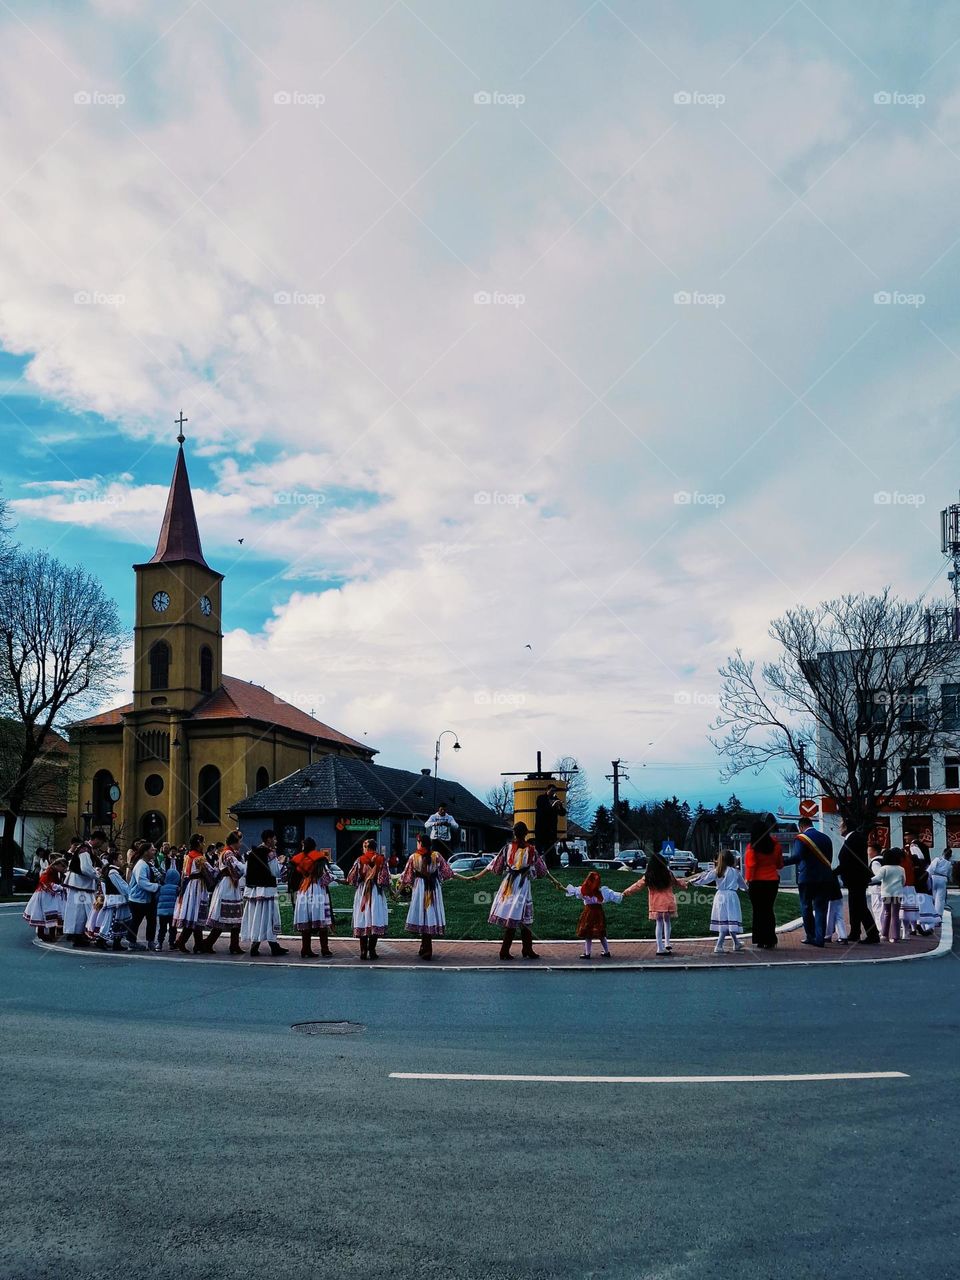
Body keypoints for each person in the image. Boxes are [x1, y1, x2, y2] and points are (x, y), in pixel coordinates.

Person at [478, 821, 548, 961]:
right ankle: (515, 950)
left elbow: (497, 869)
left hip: (509, 883)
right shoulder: (532, 850)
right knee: (520, 917)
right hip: (523, 884)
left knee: (513, 915)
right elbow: (542, 871)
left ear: (514, 833)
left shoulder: (506, 848)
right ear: (526, 833)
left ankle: (521, 949)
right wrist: (531, 871)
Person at [623, 849, 688, 956]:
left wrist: (626, 892)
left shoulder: (648, 876)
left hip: (656, 903)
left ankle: (660, 947)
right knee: (667, 922)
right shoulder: (667, 874)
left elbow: (637, 886)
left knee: (659, 923)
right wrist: (685, 884)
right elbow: (676, 882)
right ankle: (667, 942)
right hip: (668, 901)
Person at [400, 831, 454, 961]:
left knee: (422, 914)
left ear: (420, 843)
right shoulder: (437, 855)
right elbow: (447, 873)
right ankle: (424, 946)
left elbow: (407, 876)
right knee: (429, 914)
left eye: (417, 842)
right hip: (433, 887)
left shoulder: (414, 857)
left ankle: (426, 948)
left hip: (420, 887)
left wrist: (397, 890)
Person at [782, 818, 834, 948]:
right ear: (811, 824)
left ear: (801, 827)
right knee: (821, 908)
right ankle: (820, 938)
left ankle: (810, 936)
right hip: (825, 878)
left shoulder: (801, 838)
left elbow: (798, 856)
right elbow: (829, 859)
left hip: (807, 878)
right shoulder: (826, 838)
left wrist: (782, 862)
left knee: (806, 906)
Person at [689, 850, 748, 954]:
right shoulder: (735, 872)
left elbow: (704, 879)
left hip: (720, 896)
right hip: (731, 896)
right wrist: (747, 889)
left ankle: (736, 943)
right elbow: (743, 885)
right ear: (732, 860)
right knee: (731, 919)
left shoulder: (717, 871)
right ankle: (719, 945)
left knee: (724, 919)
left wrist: (692, 882)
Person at [241, 830, 288, 957]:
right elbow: (276, 872)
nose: (276, 841)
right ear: (268, 840)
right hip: (267, 889)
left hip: (254, 890)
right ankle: (273, 945)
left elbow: (245, 871)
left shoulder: (251, 853)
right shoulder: (270, 853)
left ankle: (256, 945)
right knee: (270, 916)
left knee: (257, 917)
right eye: (274, 838)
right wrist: (282, 862)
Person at [562, 868, 623, 959]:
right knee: (601, 933)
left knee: (588, 933)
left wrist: (562, 888)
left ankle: (587, 953)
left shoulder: (583, 890)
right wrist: (623, 894)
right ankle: (606, 952)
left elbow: (573, 891)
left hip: (588, 912)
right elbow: (613, 895)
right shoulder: (602, 892)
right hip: (598, 912)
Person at [203, 831, 247, 954]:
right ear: (235, 842)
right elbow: (237, 868)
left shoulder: (228, 853)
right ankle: (209, 943)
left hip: (229, 884)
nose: (241, 844)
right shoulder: (228, 853)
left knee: (233, 917)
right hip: (228, 885)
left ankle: (233, 944)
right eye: (240, 841)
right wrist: (248, 866)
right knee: (224, 916)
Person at [347, 838, 390, 959]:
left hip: (362, 891)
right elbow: (384, 880)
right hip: (376, 891)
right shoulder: (381, 859)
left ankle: (363, 951)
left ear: (366, 848)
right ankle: (372, 951)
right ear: (375, 848)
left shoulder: (359, 860)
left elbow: (352, 878)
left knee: (362, 918)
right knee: (375, 918)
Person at [837, 824, 880, 945]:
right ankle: (855, 932)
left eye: (840, 827)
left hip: (856, 879)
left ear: (846, 827)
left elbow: (847, 861)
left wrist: (834, 872)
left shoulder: (853, 839)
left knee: (860, 907)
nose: (839, 829)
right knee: (854, 907)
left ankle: (872, 934)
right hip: (855, 879)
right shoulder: (854, 838)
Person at [744, 819, 783, 950]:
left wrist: (748, 881)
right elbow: (779, 864)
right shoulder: (776, 845)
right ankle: (770, 939)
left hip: (756, 882)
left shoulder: (752, 847)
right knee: (768, 910)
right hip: (772, 881)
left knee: (758, 911)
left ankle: (760, 939)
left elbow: (751, 866)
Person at [292, 839, 334, 959]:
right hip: (318, 890)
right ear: (314, 847)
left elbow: (291, 876)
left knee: (306, 919)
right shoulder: (320, 858)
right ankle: (324, 949)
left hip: (303, 890)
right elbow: (327, 876)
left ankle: (305, 949)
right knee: (322, 919)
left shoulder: (297, 859)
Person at [88, 849, 136, 951]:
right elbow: (122, 886)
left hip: (118, 900)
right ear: (114, 861)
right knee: (112, 921)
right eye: (120, 859)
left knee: (120, 921)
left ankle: (116, 942)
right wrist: (130, 894)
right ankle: (101, 940)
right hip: (116, 900)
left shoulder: (112, 870)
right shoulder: (113, 872)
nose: (122, 861)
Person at [62, 832, 104, 948]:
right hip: (80, 885)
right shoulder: (85, 850)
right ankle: (78, 936)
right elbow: (85, 868)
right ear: (96, 839)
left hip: (81, 884)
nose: (101, 845)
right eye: (101, 842)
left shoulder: (86, 849)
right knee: (79, 912)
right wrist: (98, 876)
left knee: (82, 911)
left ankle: (81, 934)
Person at [173, 836, 212, 954]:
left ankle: (198, 944)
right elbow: (210, 871)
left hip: (189, 886)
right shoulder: (199, 858)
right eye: (203, 842)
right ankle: (183, 941)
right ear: (198, 843)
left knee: (193, 915)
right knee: (195, 914)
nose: (204, 844)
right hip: (198, 887)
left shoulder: (188, 856)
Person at [22, 857, 66, 941]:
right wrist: (61, 887)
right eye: (63, 867)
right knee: (44, 913)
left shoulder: (54, 872)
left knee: (51, 914)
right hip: (45, 895)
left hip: (50, 896)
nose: (64, 869)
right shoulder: (48, 872)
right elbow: (46, 883)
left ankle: (49, 935)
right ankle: (44, 934)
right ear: (58, 865)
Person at [127, 840, 161, 951]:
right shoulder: (141, 865)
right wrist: (157, 886)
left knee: (152, 921)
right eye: (152, 849)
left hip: (147, 898)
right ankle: (132, 942)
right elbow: (142, 882)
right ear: (146, 852)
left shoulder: (148, 864)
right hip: (138, 899)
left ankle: (150, 941)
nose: (154, 851)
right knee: (136, 921)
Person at [872, 848, 906, 943]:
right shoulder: (901, 869)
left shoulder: (884, 868)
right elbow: (904, 881)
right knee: (895, 914)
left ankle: (884, 935)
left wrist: (868, 880)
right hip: (897, 894)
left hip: (886, 894)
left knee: (887, 913)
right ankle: (895, 936)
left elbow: (877, 878)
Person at [535, 784, 566, 868]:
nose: (553, 793)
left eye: (554, 791)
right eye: (552, 791)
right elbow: (543, 810)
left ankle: (550, 865)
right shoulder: (541, 798)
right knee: (539, 847)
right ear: (547, 790)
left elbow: (562, 813)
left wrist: (559, 806)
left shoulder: (556, 799)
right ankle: (536, 865)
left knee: (550, 847)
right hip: (541, 828)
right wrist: (553, 806)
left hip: (552, 829)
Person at [156, 849, 181, 951]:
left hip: (162, 913)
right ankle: (171, 943)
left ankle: (159, 943)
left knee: (162, 929)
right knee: (172, 929)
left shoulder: (161, 887)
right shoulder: (176, 888)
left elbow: (157, 897)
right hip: (172, 913)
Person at [913, 848, 938, 936]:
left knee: (915, 912)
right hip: (924, 893)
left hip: (914, 894)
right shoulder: (925, 873)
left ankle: (914, 928)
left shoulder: (910, 872)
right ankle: (928, 928)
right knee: (927, 912)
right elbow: (929, 884)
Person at [824, 867, 849, 945]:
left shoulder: (823, 873)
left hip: (830, 897)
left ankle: (827, 936)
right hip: (838, 895)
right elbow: (841, 883)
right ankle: (843, 936)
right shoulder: (832, 872)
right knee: (839, 916)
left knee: (829, 916)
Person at [929, 848, 953, 921]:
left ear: (943, 853)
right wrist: (950, 880)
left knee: (932, 896)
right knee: (940, 898)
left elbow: (931, 868)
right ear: (950, 856)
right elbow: (949, 875)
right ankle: (938, 915)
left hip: (934, 877)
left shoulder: (937, 859)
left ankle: (931, 912)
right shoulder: (949, 864)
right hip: (943, 879)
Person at [867, 840, 885, 932]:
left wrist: (868, 880)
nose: (868, 853)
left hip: (877, 889)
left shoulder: (875, 862)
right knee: (883, 909)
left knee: (877, 909)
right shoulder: (883, 860)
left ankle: (881, 929)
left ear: (874, 851)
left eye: (869, 850)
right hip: (884, 889)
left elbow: (879, 876)